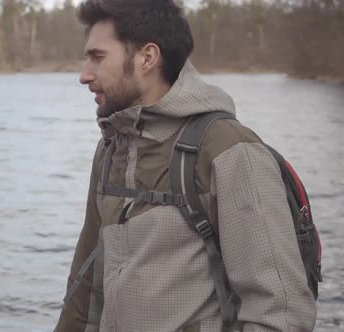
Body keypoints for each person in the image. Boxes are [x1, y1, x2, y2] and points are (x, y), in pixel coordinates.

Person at [54, 0, 317, 331]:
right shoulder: (111, 149)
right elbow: (86, 288)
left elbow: (281, 313)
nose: (84, 74)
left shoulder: (230, 151)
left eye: (97, 56)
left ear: (147, 57)